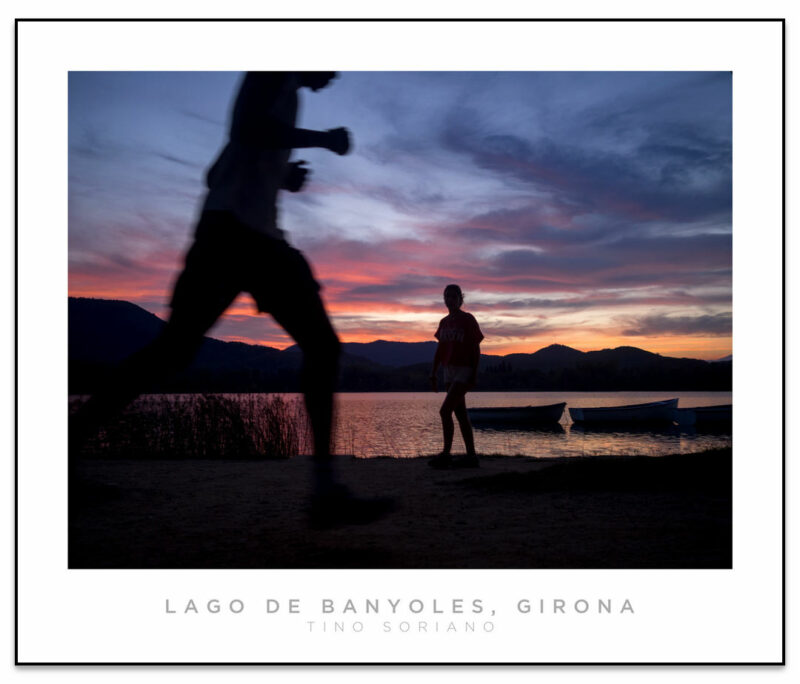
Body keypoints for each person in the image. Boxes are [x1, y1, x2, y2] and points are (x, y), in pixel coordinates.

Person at [70, 72, 391, 527]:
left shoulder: (286, 93)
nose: (335, 74)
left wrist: (280, 175)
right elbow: (245, 131)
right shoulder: (270, 72)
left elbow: (216, 169)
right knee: (175, 353)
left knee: (312, 346)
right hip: (231, 236)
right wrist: (323, 139)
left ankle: (325, 490)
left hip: (252, 238)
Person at [428, 284, 483, 468]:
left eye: (453, 296)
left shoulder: (468, 319)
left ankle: (445, 454)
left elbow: (476, 347)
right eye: (446, 296)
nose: (449, 300)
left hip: (464, 370)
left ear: (461, 299)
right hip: (448, 371)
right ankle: (471, 456)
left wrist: (474, 374)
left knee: (445, 411)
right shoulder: (444, 322)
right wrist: (433, 373)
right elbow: (440, 348)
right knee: (460, 415)